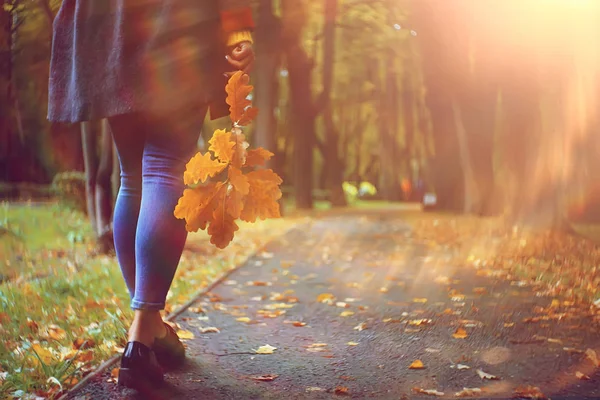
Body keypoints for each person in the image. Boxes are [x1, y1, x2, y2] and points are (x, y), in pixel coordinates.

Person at [47, 0, 255, 390]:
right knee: (163, 167)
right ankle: (143, 336)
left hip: (107, 20)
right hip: (176, 17)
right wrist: (238, 27)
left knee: (133, 178)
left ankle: (150, 326)